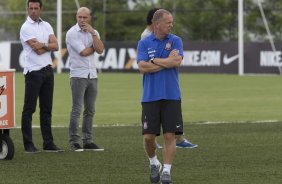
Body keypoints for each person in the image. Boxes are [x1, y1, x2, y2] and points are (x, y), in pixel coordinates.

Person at [141, 8, 198, 149]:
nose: (171, 25)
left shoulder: (175, 39)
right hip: (153, 90)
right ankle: (156, 144)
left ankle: (178, 139)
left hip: (171, 92)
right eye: (168, 22)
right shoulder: (145, 38)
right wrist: (167, 61)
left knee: (169, 132)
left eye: (171, 22)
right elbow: (143, 66)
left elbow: (176, 61)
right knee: (149, 135)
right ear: (156, 22)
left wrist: (155, 61)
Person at [20, 0, 64, 153]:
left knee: (46, 109)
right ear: (28, 9)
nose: (33, 11)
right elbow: (37, 50)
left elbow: (56, 46)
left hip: (47, 70)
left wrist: (43, 44)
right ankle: (28, 144)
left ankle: (48, 143)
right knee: (29, 109)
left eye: (36, 8)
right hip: (33, 72)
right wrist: (47, 45)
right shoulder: (25, 27)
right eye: (30, 8)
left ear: (41, 9)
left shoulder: (47, 25)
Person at [66, 7, 105, 152]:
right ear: (76, 17)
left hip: (92, 75)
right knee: (76, 109)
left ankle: (88, 141)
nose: (82, 20)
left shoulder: (94, 32)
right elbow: (83, 52)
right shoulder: (71, 33)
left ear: (89, 18)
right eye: (79, 17)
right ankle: (74, 141)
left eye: (85, 17)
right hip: (78, 75)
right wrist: (94, 46)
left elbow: (100, 50)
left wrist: (93, 34)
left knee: (90, 110)